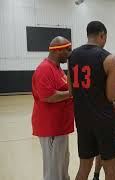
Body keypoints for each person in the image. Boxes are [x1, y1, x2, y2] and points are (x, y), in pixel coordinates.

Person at [68, 21, 115, 180]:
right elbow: (111, 96)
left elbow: (70, 91)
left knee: (84, 167)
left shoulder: (72, 56)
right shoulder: (109, 58)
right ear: (102, 35)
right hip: (104, 120)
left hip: (82, 119)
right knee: (110, 169)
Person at [31, 36, 73, 180]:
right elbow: (48, 96)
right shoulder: (44, 69)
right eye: (68, 50)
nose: (70, 53)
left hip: (60, 126)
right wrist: (71, 94)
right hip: (51, 128)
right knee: (53, 169)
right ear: (57, 51)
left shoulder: (58, 69)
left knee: (62, 165)